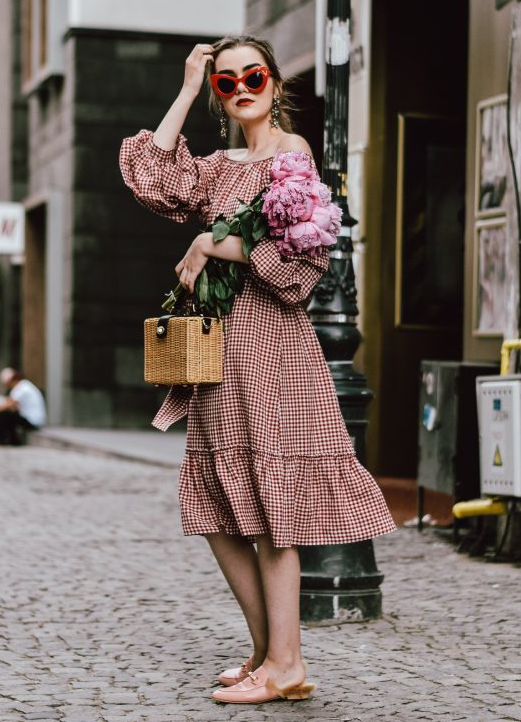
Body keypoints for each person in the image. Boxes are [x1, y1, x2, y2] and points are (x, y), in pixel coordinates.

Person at [119, 35, 396, 705]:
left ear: (274, 82)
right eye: (226, 82)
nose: (241, 87)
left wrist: (206, 240)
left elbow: (297, 257)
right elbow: (151, 178)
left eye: (253, 76)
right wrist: (186, 87)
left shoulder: (291, 154)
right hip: (217, 352)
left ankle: (288, 664)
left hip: (269, 346)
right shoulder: (215, 166)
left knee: (270, 510)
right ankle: (266, 653)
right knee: (218, 505)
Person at [0, 367, 46, 446]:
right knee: (9, 415)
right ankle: (13, 440)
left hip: (33, 421)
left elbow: (7, 406)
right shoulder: (25, 385)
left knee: (4, 414)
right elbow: (12, 405)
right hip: (35, 420)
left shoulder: (21, 388)